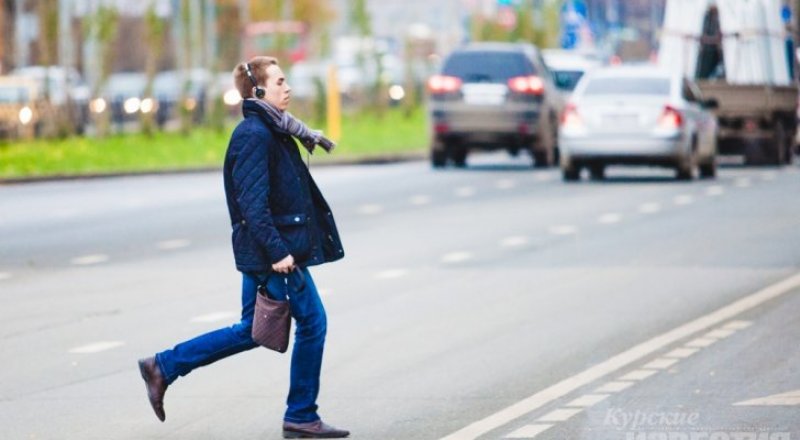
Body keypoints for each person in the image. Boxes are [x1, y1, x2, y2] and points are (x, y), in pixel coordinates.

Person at [137, 56, 349, 439]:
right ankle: (300, 413)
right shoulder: (255, 135)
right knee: (310, 324)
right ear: (259, 90)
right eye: (280, 82)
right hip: (273, 254)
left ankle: (164, 366)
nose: (288, 88)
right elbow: (252, 205)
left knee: (254, 330)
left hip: (274, 250)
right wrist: (278, 252)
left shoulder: (275, 129)